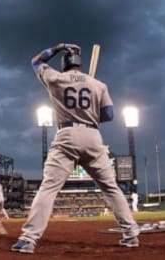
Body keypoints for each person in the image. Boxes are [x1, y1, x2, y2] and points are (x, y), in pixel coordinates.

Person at [11, 43, 140, 254]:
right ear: (80, 64)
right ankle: (131, 234)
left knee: (48, 188)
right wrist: (88, 112)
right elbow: (109, 115)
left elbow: (35, 61)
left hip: (66, 136)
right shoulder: (98, 85)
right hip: (93, 137)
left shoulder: (55, 78)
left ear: (64, 64)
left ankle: (28, 239)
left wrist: (58, 47)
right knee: (111, 188)